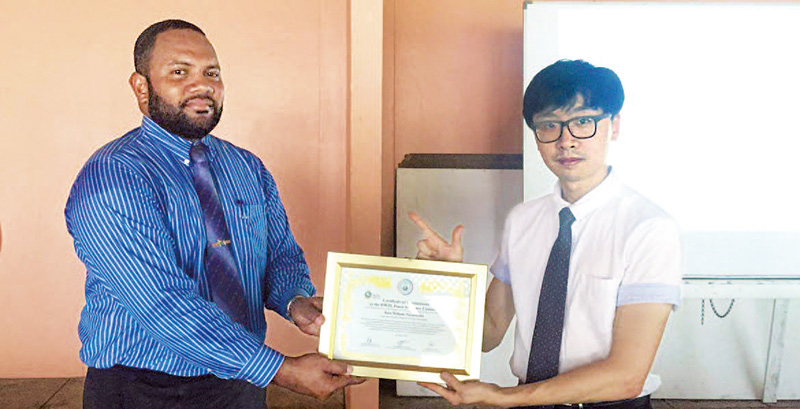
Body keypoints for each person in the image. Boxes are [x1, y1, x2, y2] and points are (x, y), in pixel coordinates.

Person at [65, 19, 361, 408]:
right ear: (141, 87)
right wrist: (282, 370)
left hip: (240, 380)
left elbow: (279, 256)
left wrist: (295, 302)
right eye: (179, 72)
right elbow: (163, 305)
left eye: (212, 73)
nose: (202, 85)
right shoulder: (115, 176)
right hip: (145, 389)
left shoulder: (246, 166)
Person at [410, 59, 681, 408]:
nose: (566, 141)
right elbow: (489, 333)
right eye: (549, 126)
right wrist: (449, 279)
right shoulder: (523, 221)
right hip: (527, 401)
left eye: (582, 122)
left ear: (613, 126)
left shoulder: (648, 228)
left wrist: (506, 397)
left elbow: (627, 375)